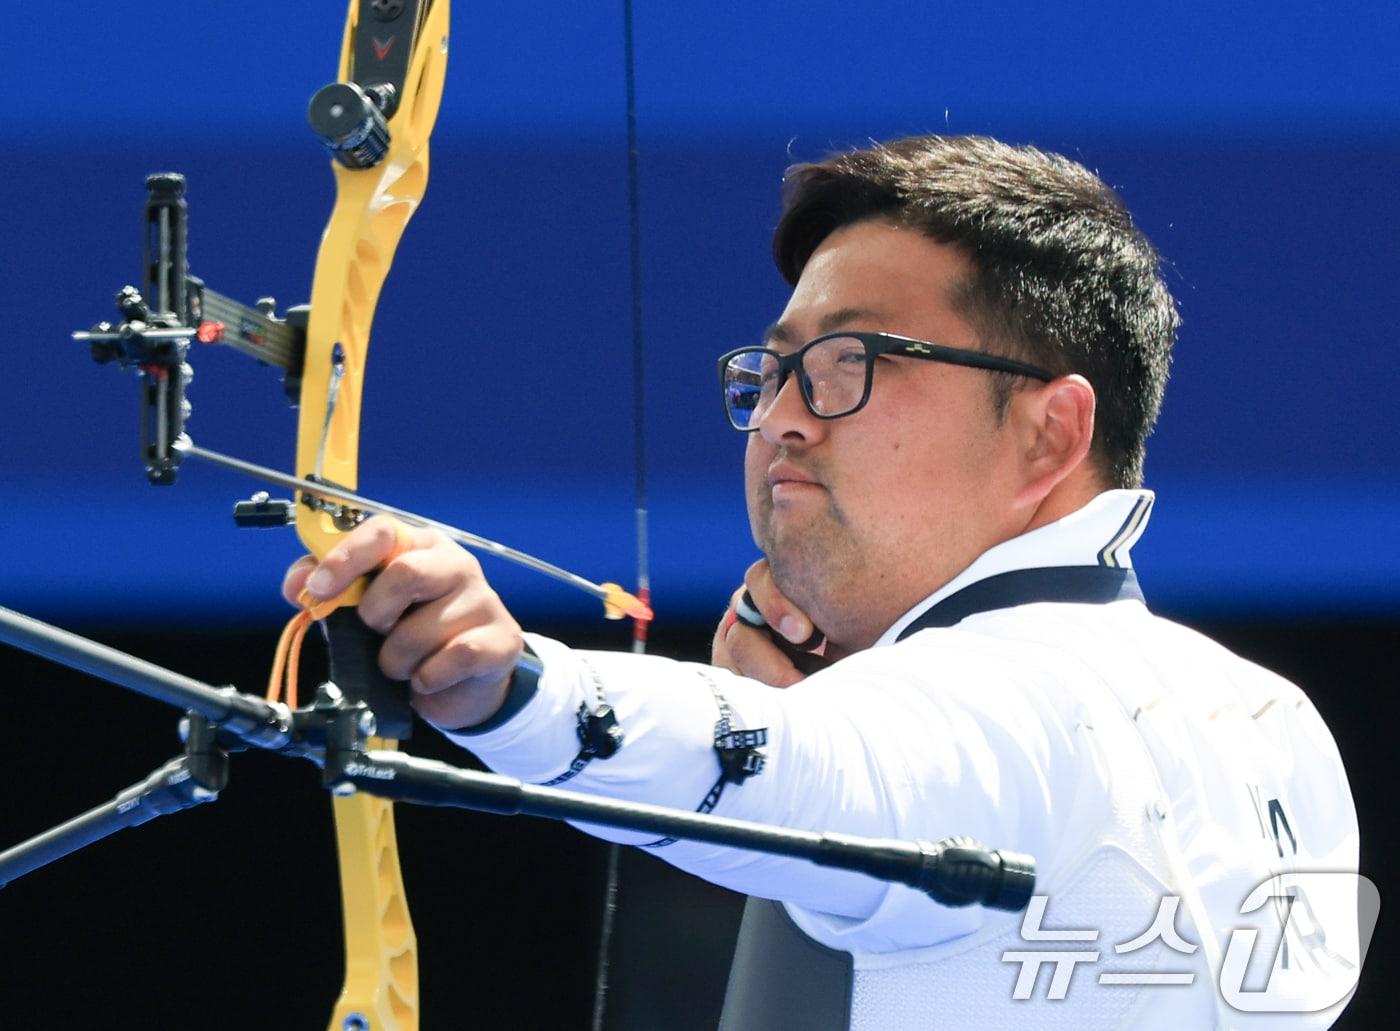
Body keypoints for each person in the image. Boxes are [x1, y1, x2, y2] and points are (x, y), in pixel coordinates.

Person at [283, 135, 1361, 1028]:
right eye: (776, 367)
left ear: (1049, 432)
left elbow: (812, 766)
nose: (784, 415)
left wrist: (512, 683)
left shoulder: (1012, 703)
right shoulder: (1275, 721)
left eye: (854, 362)